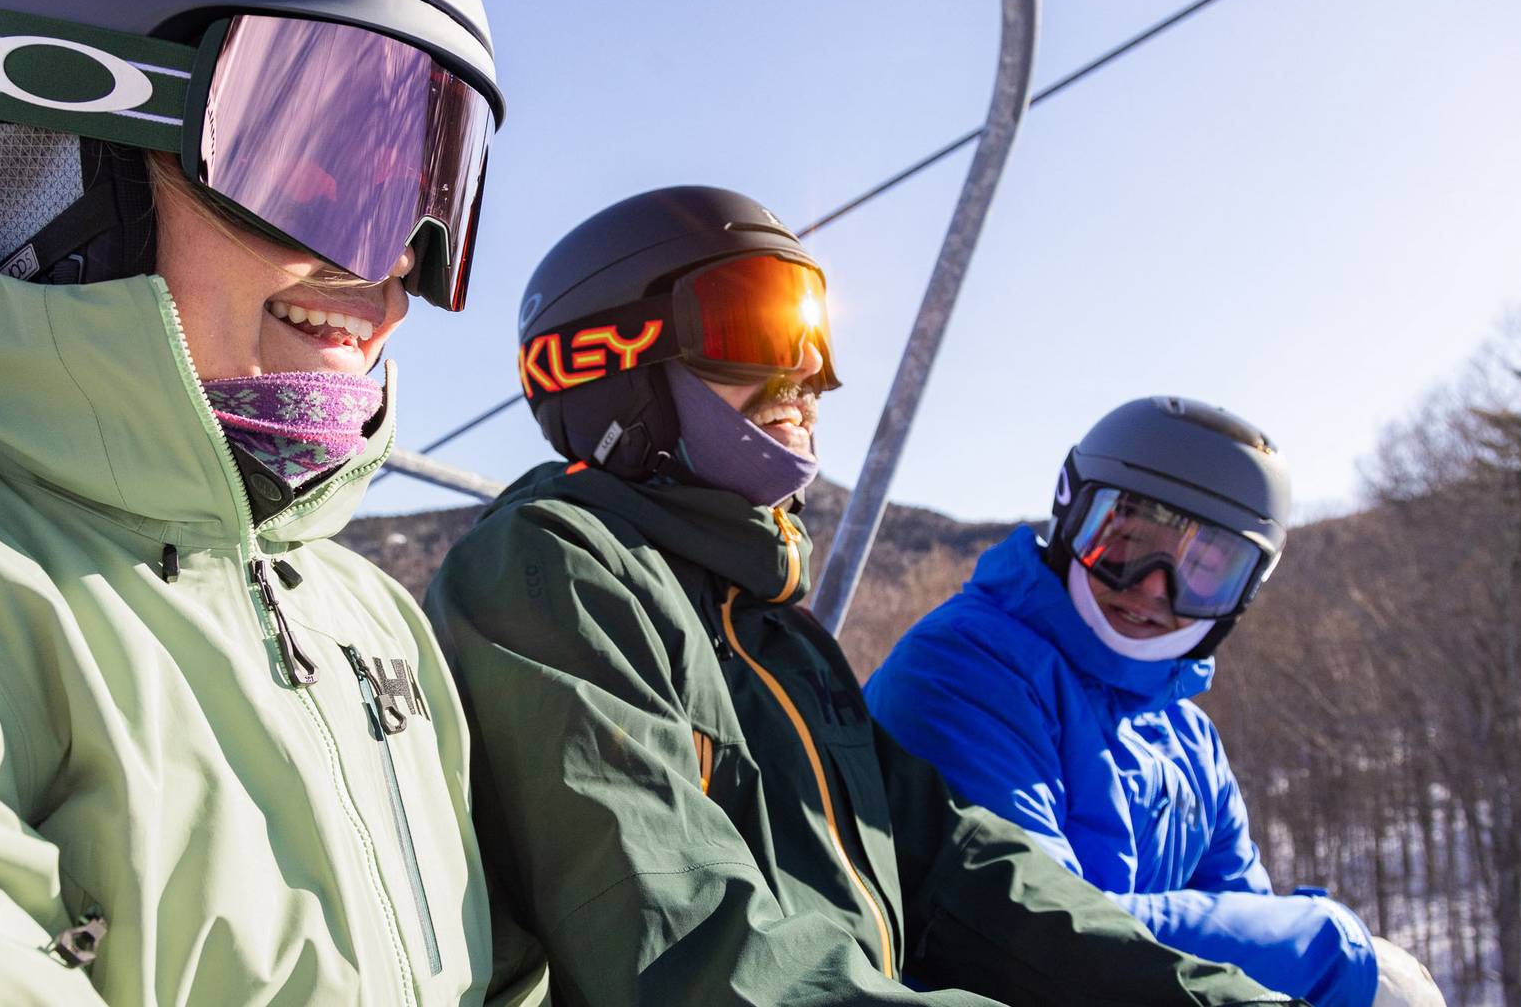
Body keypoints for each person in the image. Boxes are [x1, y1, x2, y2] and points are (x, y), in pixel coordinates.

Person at [0, 0, 507, 1002]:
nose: (388, 270)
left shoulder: (370, 621)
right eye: (313, 155)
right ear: (47, 151)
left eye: (430, 195)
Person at [426, 187, 1306, 1005]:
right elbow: (686, 948)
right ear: (602, 360)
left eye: (811, 337)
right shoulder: (553, 571)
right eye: (753, 329)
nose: (805, 375)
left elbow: (957, 870)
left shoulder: (775, 633)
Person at [864, 398, 1444, 1007]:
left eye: (1204, 571)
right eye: (1126, 542)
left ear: (1245, 590)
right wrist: (1334, 953)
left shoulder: (1189, 739)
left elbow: (1245, 934)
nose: (1152, 588)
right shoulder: (963, 671)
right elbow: (1040, 936)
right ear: (1071, 514)